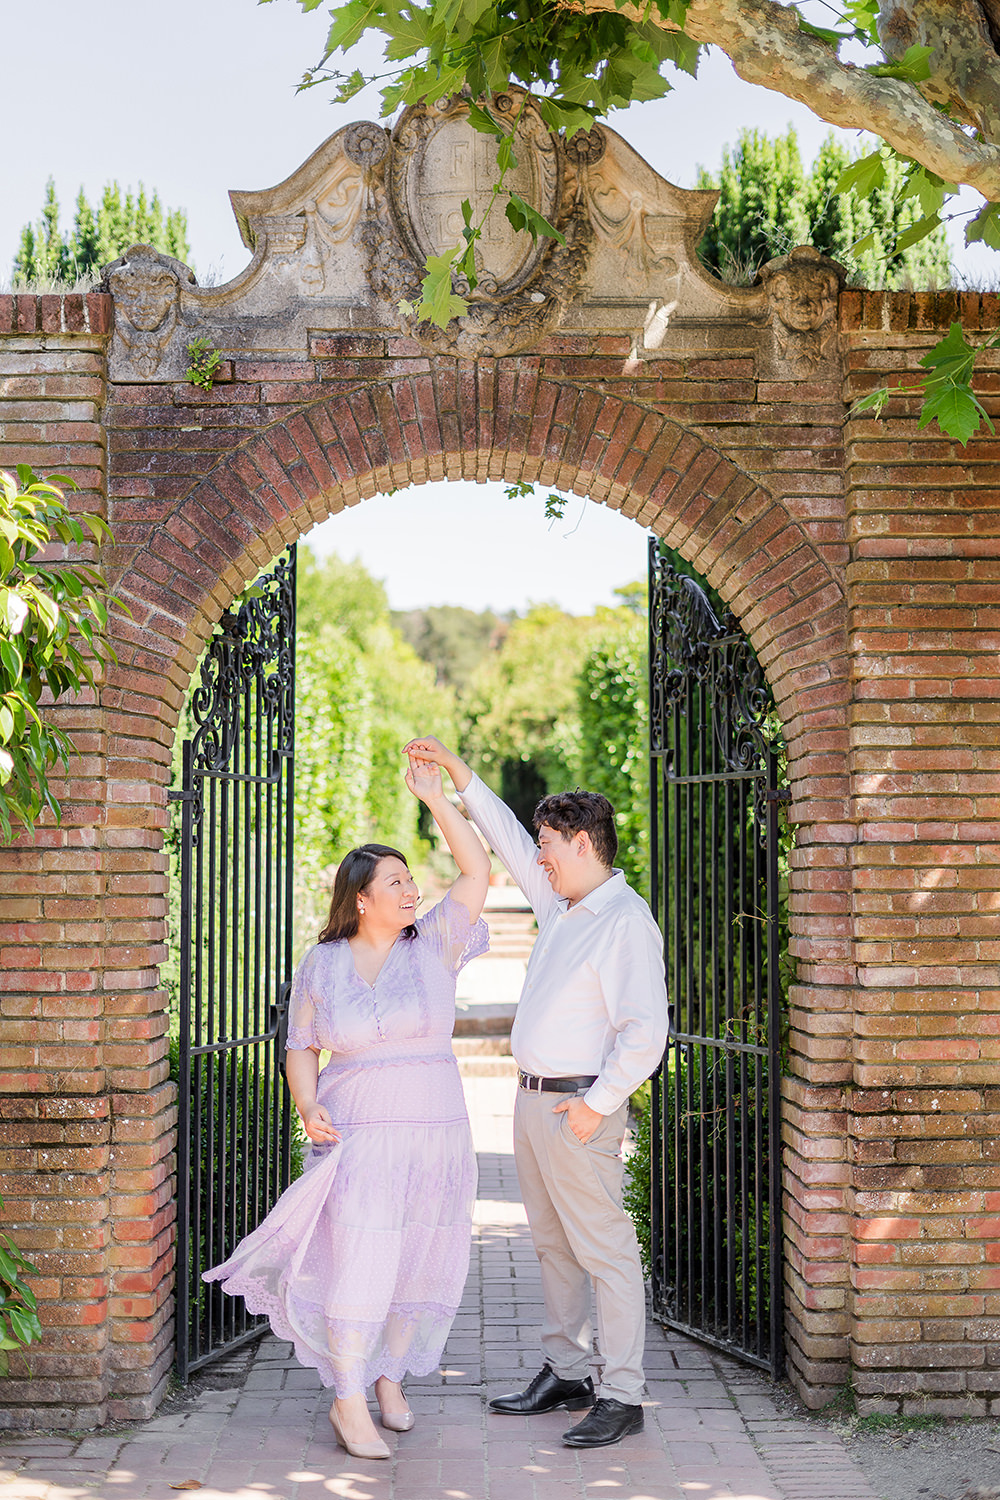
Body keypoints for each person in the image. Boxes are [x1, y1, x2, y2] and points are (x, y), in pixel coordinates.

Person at [203, 752, 490, 1460]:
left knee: (418, 1254)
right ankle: (347, 1399)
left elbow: (478, 872)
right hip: (356, 1131)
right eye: (396, 881)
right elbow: (301, 1042)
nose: (411, 889)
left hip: (437, 1131)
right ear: (361, 898)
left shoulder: (438, 945)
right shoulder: (322, 962)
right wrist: (304, 1103)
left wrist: (437, 799)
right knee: (362, 1254)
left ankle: (390, 1377)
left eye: (410, 878)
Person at [403, 735, 669, 1450]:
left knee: (605, 1251)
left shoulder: (624, 922)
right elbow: (509, 844)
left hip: (579, 1109)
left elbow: (646, 1034)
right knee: (552, 1247)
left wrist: (595, 1105)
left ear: (583, 843)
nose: (540, 855)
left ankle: (623, 1393)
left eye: (551, 842)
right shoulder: (563, 906)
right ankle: (569, 1370)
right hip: (533, 1105)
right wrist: (460, 777)